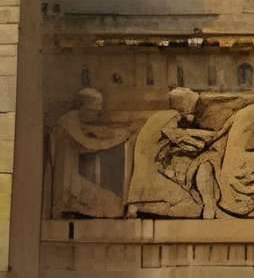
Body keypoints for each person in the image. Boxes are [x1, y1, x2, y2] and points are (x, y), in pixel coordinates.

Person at [127, 87, 216, 219]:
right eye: (192, 104)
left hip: (146, 175)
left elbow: (180, 136)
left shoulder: (160, 116)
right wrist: (205, 141)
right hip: (152, 177)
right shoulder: (171, 117)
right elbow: (182, 138)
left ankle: (138, 205)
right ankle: (142, 207)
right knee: (194, 208)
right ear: (184, 104)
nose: (194, 109)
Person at [50, 89, 128, 219]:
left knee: (116, 206)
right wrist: (119, 138)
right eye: (96, 111)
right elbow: (90, 145)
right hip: (68, 187)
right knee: (115, 207)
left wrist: (102, 134)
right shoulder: (68, 123)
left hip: (73, 183)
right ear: (84, 107)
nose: (97, 115)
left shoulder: (73, 121)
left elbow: (83, 147)